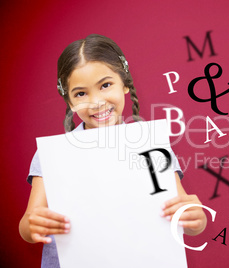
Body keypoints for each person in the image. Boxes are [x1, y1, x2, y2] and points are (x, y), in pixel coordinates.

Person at [19, 34, 207, 267]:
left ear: (125, 84)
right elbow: (27, 225)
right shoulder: (55, 156)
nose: (96, 101)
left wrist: (196, 220)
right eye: (81, 93)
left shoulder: (151, 146)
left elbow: (185, 215)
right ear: (70, 102)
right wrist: (33, 224)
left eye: (105, 85)